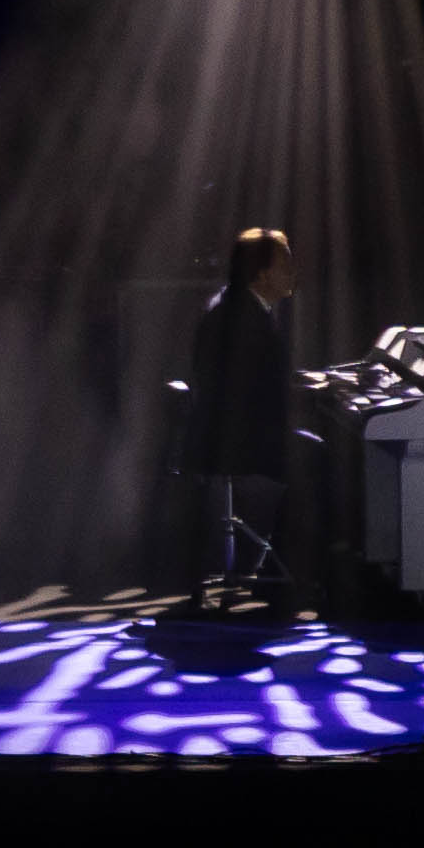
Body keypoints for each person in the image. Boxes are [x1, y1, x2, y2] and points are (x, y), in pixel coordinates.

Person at [174, 224, 302, 588]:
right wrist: (308, 393)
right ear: (261, 274)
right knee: (321, 457)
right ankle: (293, 566)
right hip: (237, 439)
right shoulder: (247, 319)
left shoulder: (232, 306)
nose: (292, 273)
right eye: (285, 265)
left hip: (219, 430)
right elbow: (257, 390)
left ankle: (276, 562)